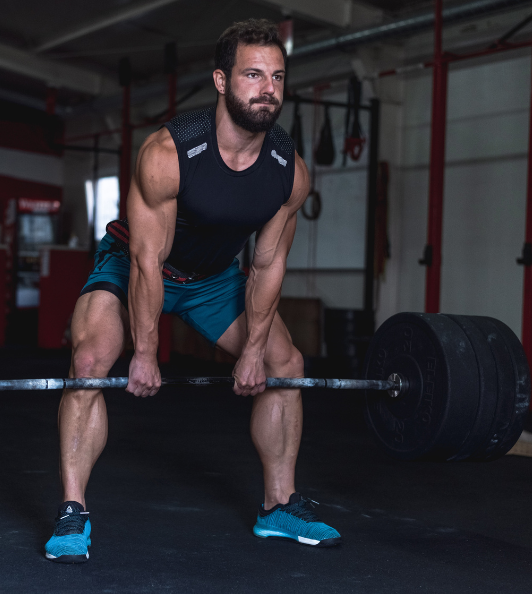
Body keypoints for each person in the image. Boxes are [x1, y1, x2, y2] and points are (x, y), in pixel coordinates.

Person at [45, 18, 341, 564]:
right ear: (222, 81)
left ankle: (278, 506)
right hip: (133, 268)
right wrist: (145, 351)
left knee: (287, 362)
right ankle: (73, 508)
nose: (268, 88)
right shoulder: (168, 154)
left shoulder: (288, 171)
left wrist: (253, 351)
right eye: (253, 74)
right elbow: (147, 260)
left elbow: (270, 262)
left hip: (212, 281)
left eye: (277, 76)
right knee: (89, 360)